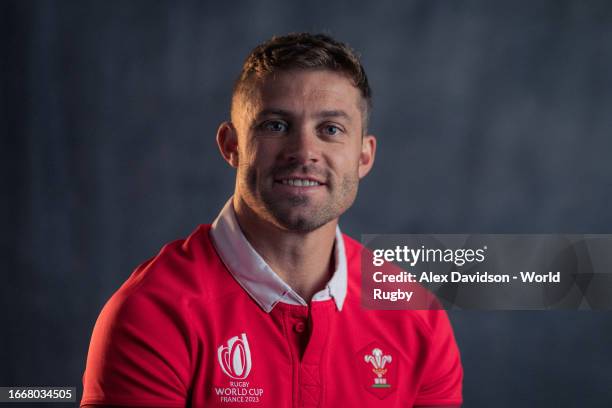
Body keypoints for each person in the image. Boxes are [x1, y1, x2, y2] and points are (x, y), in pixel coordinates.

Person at [80, 32, 463, 408]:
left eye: (330, 129)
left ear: (364, 156)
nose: (304, 152)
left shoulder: (416, 314)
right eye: (276, 125)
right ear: (231, 145)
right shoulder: (152, 312)